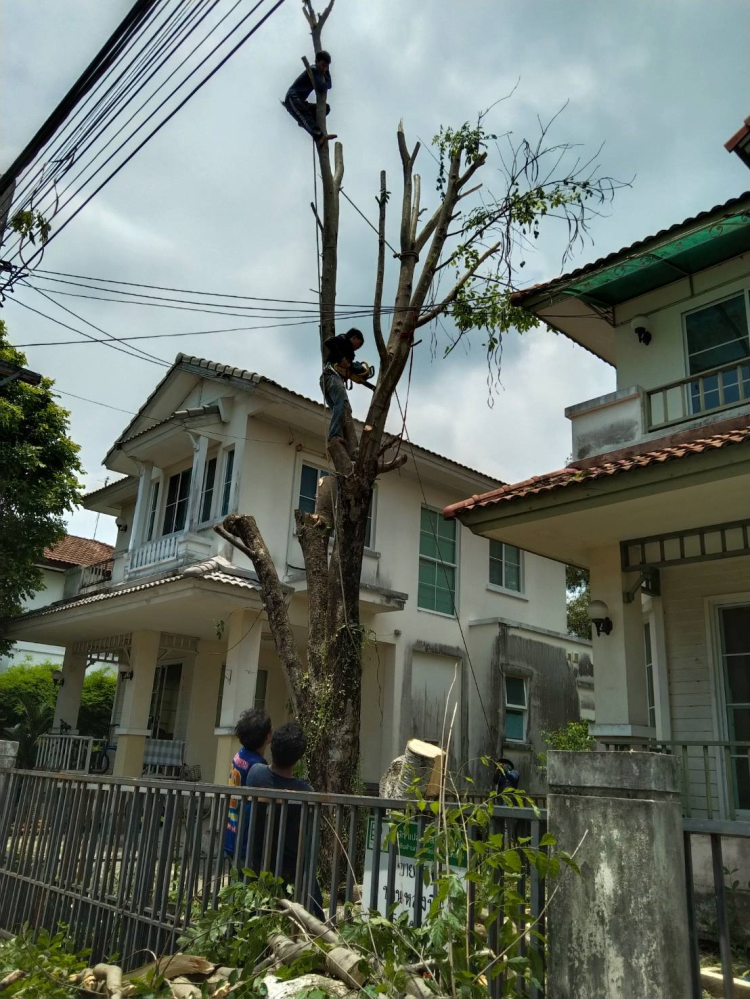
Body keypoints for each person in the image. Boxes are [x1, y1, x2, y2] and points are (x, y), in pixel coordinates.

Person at [244, 721, 324, 916]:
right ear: (298, 758)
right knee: (314, 907)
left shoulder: (255, 773)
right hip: (290, 868)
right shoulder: (305, 791)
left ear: (272, 745)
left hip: (257, 861)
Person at [225, 708, 272, 860]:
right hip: (245, 840)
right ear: (268, 736)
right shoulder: (257, 765)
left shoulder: (240, 754)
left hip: (231, 832)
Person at [321, 327, 366, 443]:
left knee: (340, 409)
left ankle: (338, 436)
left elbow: (349, 368)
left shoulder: (350, 354)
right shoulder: (343, 339)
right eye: (359, 344)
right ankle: (334, 435)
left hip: (327, 380)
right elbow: (329, 342)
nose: (358, 348)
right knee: (340, 404)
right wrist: (341, 358)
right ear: (354, 337)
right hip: (332, 376)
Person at [284, 50, 336, 147]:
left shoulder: (320, 72)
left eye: (326, 67)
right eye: (323, 65)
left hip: (301, 102)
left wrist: (326, 73)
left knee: (326, 108)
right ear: (316, 62)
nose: (324, 68)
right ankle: (319, 135)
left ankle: (307, 123)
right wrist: (325, 76)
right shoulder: (314, 69)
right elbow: (322, 87)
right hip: (293, 98)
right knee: (305, 115)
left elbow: (328, 86)